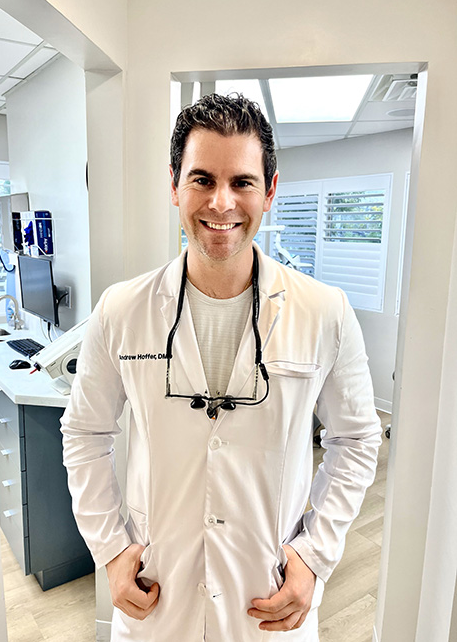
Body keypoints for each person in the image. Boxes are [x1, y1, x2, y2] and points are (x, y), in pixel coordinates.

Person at [61, 93, 382, 641]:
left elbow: (357, 441)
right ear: (174, 185)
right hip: (157, 596)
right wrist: (110, 550)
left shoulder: (325, 311)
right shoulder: (121, 309)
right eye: (202, 179)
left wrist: (315, 556)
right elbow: (85, 434)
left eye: (243, 182)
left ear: (271, 191)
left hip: (268, 599)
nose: (221, 203)